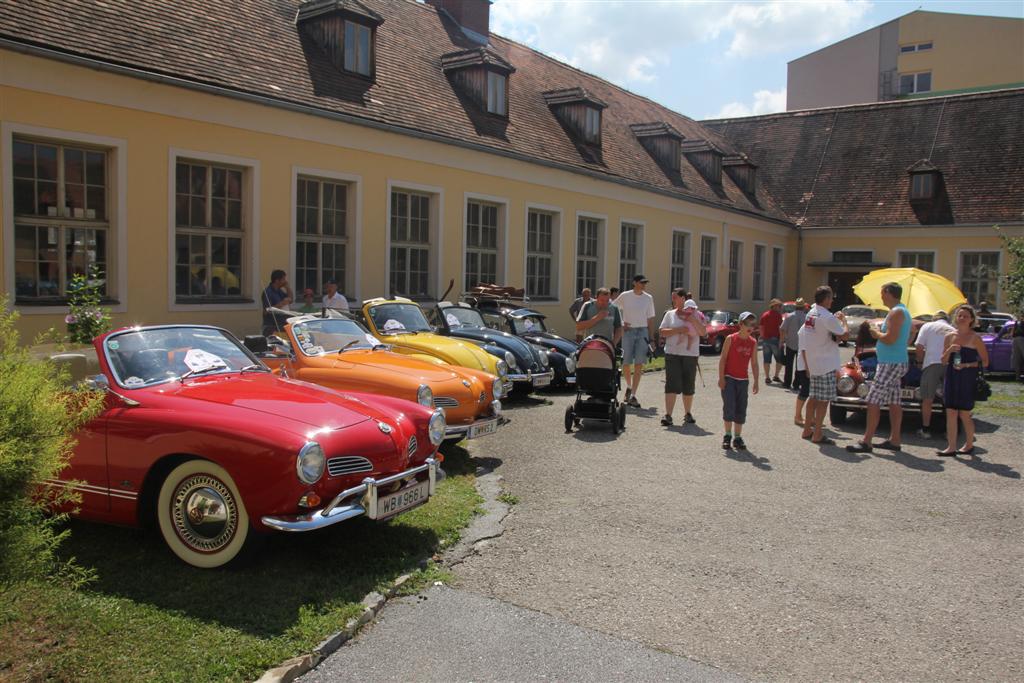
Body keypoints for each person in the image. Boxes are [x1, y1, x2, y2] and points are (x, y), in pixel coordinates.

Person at [847, 282, 912, 453]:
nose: (881, 296)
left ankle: (866, 441)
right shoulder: (900, 311)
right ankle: (895, 440)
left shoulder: (897, 312)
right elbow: (904, 336)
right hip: (894, 361)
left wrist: (876, 333)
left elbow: (890, 339)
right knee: (894, 401)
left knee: (873, 400)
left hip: (890, 363)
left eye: (882, 292)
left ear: (889, 293)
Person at [798, 285, 848, 445]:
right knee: (823, 400)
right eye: (831, 297)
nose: (832, 300)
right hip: (826, 363)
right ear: (826, 299)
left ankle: (807, 429)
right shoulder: (827, 317)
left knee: (813, 397)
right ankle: (817, 433)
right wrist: (843, 320)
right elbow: (845, 335)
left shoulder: (811, 313)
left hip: (814, 362)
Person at [937, 305, 989, 456]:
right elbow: (943, 360)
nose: (962, 318)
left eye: (966, 316)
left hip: (967, 377)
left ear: (972, 319)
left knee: (964, 413)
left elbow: (985, 362)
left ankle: (969, 444)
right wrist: (949, 350)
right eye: (960, 315)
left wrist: (967, 365)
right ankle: (951, 446)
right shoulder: (949, 336)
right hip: (952, 375)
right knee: (951, 411)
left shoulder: (975, 338)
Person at [659, 291, 706, 426]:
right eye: (672, 297)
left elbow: (703, 333)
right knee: (671, 384)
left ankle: (688, 413)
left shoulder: (696, 314)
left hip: (690, 355)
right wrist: (678, 330)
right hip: (672, 354)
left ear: (683, 299)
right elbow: (662, 331)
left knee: (688, 384)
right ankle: (668, 415)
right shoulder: (670, 314)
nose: (673, 299)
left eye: (676, 297)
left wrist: (692, 319)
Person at [718, 311, 759, 450]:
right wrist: (721, 378)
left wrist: (756, 381)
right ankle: (727, 435)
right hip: (729, 378)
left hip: (743, 380)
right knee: (729, 407)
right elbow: (723, 359)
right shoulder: (731, 338)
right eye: (748, 324)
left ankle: (737, 437)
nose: (751, 327)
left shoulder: (753, 342)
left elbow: (754, 363)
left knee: (741, 409)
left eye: (753, 324)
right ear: (741, 324)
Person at [614, 275, 657, 408]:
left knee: (639, 363)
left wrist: (651, 338)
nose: (644, 285)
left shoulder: (648, 298)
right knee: (626, 362)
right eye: (641, 282)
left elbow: (650, 319)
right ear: (634, 283)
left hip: (642, 331)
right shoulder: (625, 296)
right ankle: (629, 386)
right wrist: (621, 323)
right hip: (628, 331)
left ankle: (633, 394)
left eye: (645, 282)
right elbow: (613, 308)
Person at [914, 310, 954, 439]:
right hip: (949, 364)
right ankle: (949, 430)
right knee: (948, 399)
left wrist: (920, 362)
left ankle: (926, 429)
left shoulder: (927, 326)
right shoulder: (952, 328)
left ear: (934, 319)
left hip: (931, 363)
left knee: (927, 399)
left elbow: (919, 347)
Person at [779, 297, 807, 389]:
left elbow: (782, 329)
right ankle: (796, 384)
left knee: (789, 364)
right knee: (799, 365)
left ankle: (787, 383)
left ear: (795, 307)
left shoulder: (789, 316)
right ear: (803, 307)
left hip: (790, 343)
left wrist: (782, 341)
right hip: (802, 344)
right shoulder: (807, 317)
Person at [759, 299, 784, 384]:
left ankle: (767, 377)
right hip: (775, 340)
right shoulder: (778, 316)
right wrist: (781, 340)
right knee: (780, 359)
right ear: (774, 306)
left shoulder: (764, 315)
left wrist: (762, 337)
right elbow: (780, 329)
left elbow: (761, 327)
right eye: (778, 306)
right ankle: (776, 376)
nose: (780, 308)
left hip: (766, 340)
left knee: (766, 360)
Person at [261, 269, 293, 335]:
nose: (285, 281)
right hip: (271, 326)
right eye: (283, 279)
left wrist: (287, 288)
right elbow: (266, 311)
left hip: (281, 325)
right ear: (277, 280)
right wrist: (282, 304)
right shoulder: (268, 292)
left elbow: (291, 300)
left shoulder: (279, 291)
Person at [1013, 317, 1024, 383]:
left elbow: (1013, 333)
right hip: (1022, 339)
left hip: (1015, 339)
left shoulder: (1017, 322)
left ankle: (1017, 376)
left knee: (1016, 358)